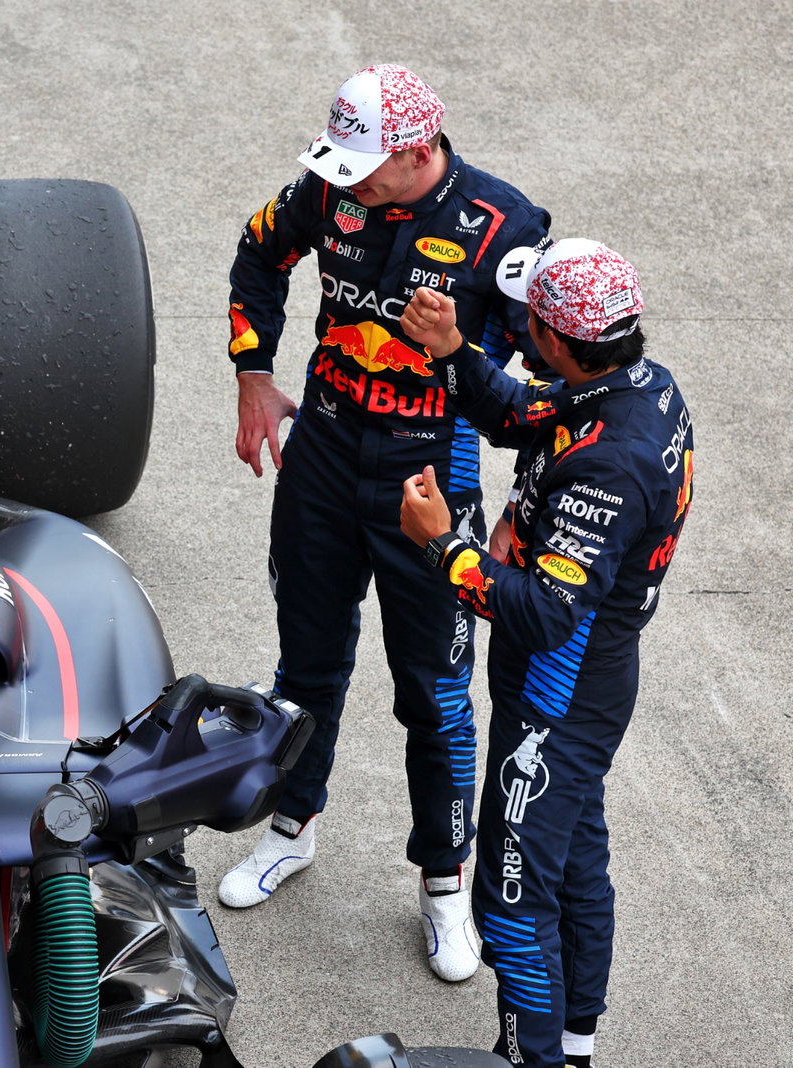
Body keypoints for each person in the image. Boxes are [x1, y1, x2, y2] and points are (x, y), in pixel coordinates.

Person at [219, 63, 550, 983]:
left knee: (434, 694)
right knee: (305, 666)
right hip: (323, 456)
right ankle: (292, 826)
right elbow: (258, 253)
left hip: (432, 483)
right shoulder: (332, 189)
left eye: (363, 166)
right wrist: (253, 372)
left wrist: (519, 510)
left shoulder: (505, 228)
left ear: (417, 151)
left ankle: (445, 885)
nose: (346, 180)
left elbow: (548, 392)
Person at [397, 239, 695, 1067]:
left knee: (510, 902)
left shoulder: (610, 465)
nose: (520, 326)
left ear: (557, 338)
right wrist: (454, 351)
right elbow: (521, 414)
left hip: (558, 695)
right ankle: (573, 1046)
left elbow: (543, 615)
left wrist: (444, 548)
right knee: (574, 865)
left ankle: (532, 1058)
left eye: (529, 318)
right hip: (582, 687)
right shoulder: (634, 381)